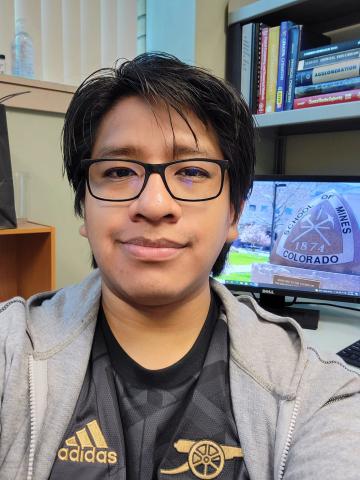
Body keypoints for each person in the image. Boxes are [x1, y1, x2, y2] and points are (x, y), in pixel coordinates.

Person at [0, 52, 359, 480]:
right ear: (84, 210)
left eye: (191, 170)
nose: (153, 204)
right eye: (118, 171)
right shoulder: (10, 354)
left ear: (234, 215)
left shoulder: (318, 396)